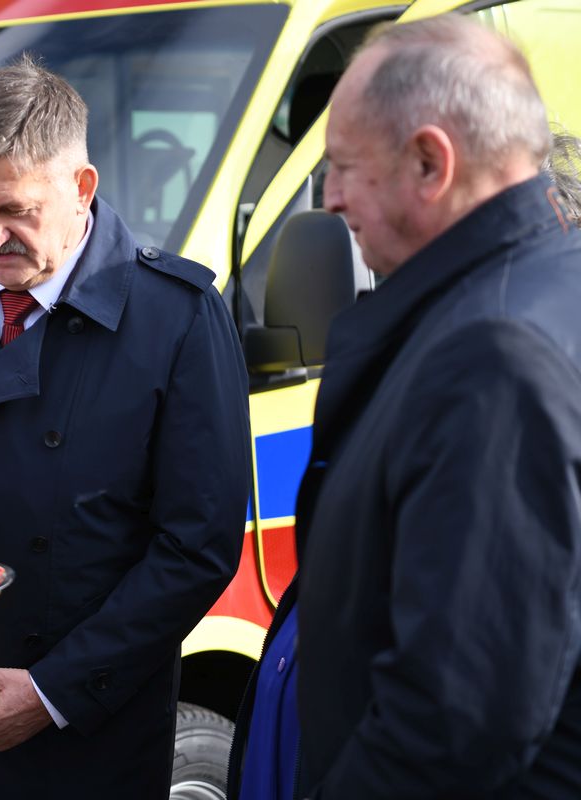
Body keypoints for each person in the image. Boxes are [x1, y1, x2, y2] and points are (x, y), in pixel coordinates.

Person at [0, 55, 252, 799]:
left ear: (81, 188)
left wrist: (55, 691)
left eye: (15, 211)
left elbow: (198, 545)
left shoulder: (178, 317)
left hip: (85, 724)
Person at [230, 15, 581, 799]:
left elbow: (455, 718)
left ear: (431, 161)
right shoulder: (542, 283)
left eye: (345, 167)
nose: (329, 197)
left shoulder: (493, 358)